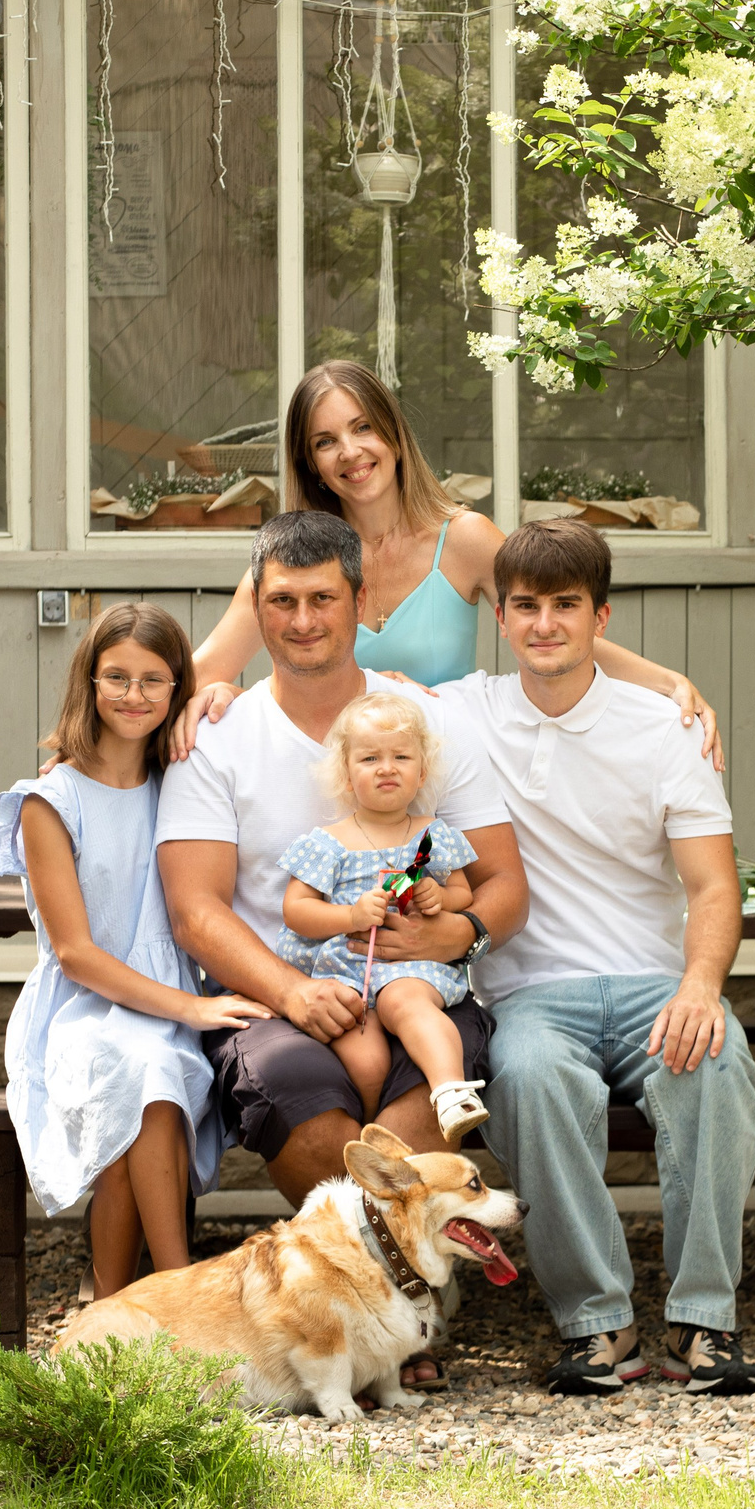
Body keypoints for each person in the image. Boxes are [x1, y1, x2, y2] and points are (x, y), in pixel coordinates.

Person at [436, 519, 755, 1397]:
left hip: (658, 983)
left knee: (715, 1065)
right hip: (535, 991)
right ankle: (599, 1323)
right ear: (501, 617)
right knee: (529, 1074)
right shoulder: (461, 711)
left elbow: (712, 887)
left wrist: (702, 986)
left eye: (566, 605)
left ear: (601, 616)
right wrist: (212, 696)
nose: (546, 624)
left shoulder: (663, 729)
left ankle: (704, 1318)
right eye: (527, 606)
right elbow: (342, 694)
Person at [159, 510, 526, 1221]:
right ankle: (387, 1289)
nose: (302, 620)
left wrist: (461, 933)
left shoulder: (428, 724)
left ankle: (378, 1295)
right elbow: (194, 910)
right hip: (274, 997)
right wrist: (294, 992)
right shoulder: (217, 738)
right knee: (304, 1106)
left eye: (322, 598)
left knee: (426, 1097)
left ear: (359, 604)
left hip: (422, 989)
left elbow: (505, 884)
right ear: (256, 609)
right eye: (282, 601)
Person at [172, 360, 722, 765]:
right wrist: (224, 697)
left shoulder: (463, 540)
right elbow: (202, 671)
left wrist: (668, 682)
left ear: (393, 434)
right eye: (325, 441)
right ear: (310, 463)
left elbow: (551, 624)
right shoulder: (291, 562)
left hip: (440, 785)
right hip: (320, 779)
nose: (350, 452)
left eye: (363, 428)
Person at [0, 602, 271, 1298]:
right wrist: (191, 1008)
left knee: (145, 1097)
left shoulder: (180, 778)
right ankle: (176, 1291)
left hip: (167, 1001)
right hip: (83, 1009)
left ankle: (116, 1302)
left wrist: (220, 692)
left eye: (154, 680)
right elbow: (76, 953)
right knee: (145, 1078)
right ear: (88, 681)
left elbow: (228, 708)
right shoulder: (49, 800)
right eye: (116, 677)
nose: (133, 695)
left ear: (175, 688)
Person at [277, 691, 489, 1140]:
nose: (387, 767)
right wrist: (350, 915)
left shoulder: (431, 836)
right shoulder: (329, 842)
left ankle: (451, 1091)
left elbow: (462, 892)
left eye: (401, 756)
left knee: (404, 1003)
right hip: (348, 973)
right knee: (367, 1059)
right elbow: (296, 911)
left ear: (421, 772)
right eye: (370, 757)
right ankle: (371, 1133)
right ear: (347, 774)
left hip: (409, 967)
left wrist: (437, 897)